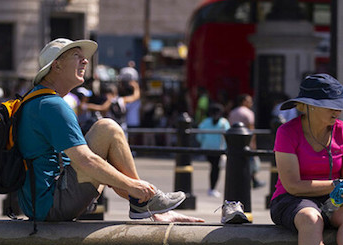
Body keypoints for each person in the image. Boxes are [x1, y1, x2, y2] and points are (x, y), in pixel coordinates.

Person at [18, 38, 204, 223]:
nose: (85, 61)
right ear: (56, 66)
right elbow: (85, 160)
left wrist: (132, 187)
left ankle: (147, 206)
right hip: (52, 203)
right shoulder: (51, 105)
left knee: (104, 136)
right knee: (107, 129)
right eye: (77, 56)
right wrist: (133, 186)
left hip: (39, 203)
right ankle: (143, 202)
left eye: (84, 57)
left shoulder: (36, 100)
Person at [270, 73, 343, 245]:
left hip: (335, 201)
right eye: (331, 106)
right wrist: (335, 184)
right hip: (292, 200)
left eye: (339, 106)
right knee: (310, 218)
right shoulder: (287, 132)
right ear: (310, 106)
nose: (338, 111)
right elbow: (293, 186)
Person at [228, 93, 265, 188]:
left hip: (234, 141)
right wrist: (253, 143)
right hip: (246, 141)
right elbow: (251, 129)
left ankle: (239, 181)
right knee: (249, 163)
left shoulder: (233, 112)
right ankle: (251, 181)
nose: (251, 103)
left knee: (236, 162)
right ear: (244, 101)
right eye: (249, 101)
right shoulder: (248, 113)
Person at [196, 103, 230, 198]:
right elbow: (228, 136)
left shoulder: (205, 122)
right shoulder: (224, 122)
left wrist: (204, 144)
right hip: (219, 149)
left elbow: (199, 136)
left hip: (207, 149)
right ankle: (212, 188)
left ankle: (212, 188)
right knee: (216, 168)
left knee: (214, 167)